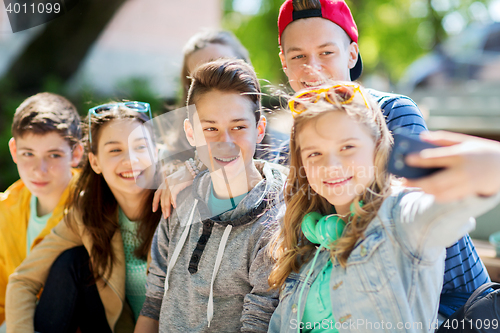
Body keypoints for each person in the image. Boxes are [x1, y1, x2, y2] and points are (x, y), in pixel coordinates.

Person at [266, 82, 500, 332]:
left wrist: (491, 166)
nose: (331, 165)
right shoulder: (306, 239)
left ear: (377, 147)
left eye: (347, 147)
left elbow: (452, 206)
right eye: (314, 153)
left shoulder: (401, 218)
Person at [135, 59, 285, 332]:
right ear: (191, 133)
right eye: (210, 129)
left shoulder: (274, 219)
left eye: (238, 127)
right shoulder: (180, 198)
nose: (224, 141)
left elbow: (259, 320)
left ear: (259, 129)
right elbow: (155, 298)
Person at [6, 102, 162, 333]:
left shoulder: (178, 201)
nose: (131, 160)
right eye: (115, 150)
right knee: (72, 260)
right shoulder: (87, 215)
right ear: (95, 162)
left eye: (140, 147)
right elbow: (23, 281)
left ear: (156, 153)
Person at [0, 92, 83, 328]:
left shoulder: (89, 204)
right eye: (28, 154)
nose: (39, 170)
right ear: (14, 150)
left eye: (54, 155)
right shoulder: (5, 209)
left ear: (76, 153)